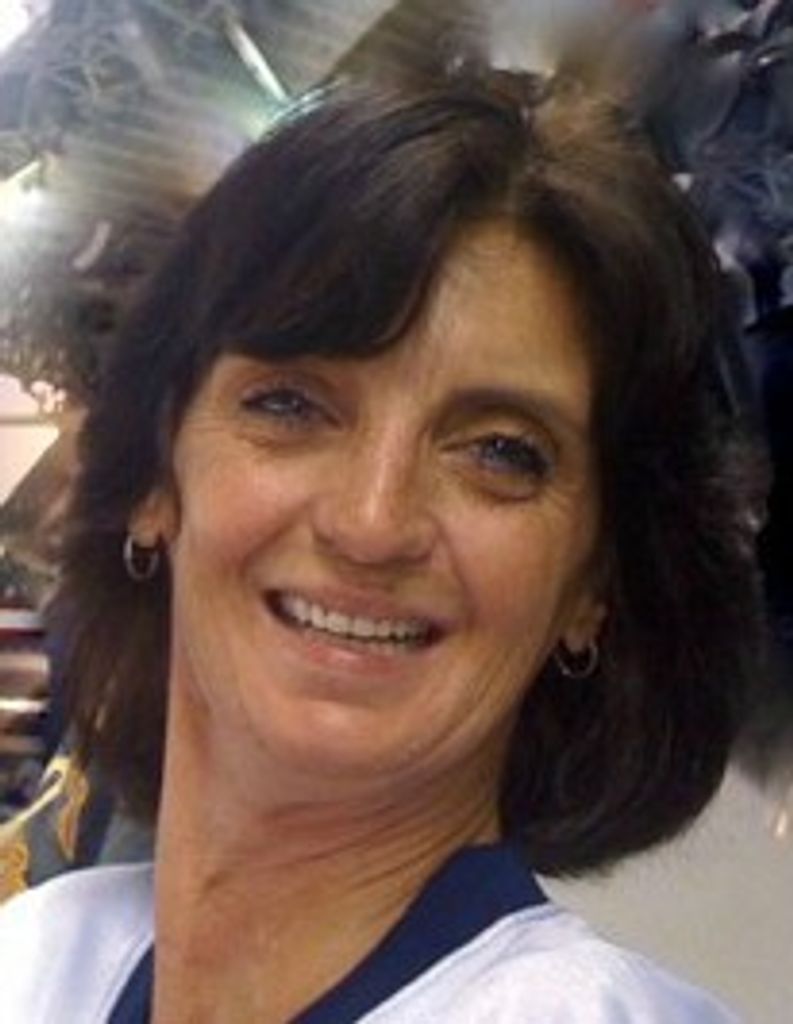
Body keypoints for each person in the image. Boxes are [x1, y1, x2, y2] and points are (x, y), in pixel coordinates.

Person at [0, 65, 764, 1022]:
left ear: (592, 585)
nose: (370, 523)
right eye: (289, 404)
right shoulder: (37, 956)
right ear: (155, 480)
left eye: (500, 453)